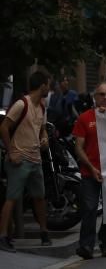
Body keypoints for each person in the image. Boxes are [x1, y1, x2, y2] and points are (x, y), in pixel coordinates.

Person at [0, 71, 52, 253]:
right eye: (48, 84)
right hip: (19, 159)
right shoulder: (22, 104)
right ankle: (3, 236)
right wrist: (11, 152)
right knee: (12, 197)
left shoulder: (42, 106)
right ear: (42, 85)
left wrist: (44, 138)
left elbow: (42, 130)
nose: (49, 87)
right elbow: (4, 127)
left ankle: (44, 232)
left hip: (35, 158)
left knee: (39, 197)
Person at [73, 83, 106, 259]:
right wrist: (91, 167)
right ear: (95, 96)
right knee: (90, 208)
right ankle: (86, 246)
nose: (105, 97)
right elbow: (78, 147)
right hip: (89, 172)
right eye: (101, 94)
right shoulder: (84, 118)